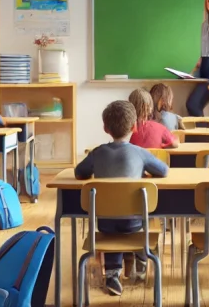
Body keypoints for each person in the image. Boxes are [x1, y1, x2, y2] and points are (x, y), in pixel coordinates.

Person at [75, 100, 169, 296]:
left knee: (111, 228)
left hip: (105, 223)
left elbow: (79, 173)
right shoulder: (140, 153)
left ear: (105, 128)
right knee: (133, 222)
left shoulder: (97, 153)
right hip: (134, 222)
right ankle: (142, 256)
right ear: (134, 127)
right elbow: (164, 171)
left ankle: (112, 274)